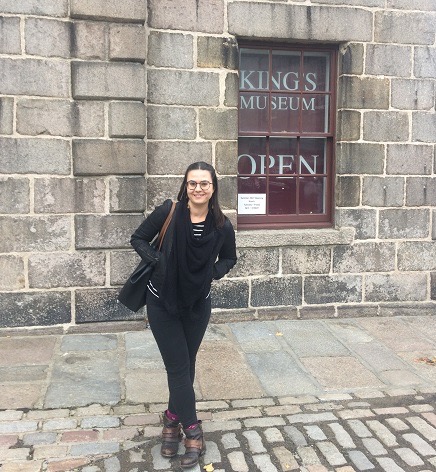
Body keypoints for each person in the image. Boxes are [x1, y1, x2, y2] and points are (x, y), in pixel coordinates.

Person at [130, 161, 237, 468]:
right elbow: (137, 238)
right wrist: (159, 260)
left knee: (185, 365)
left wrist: (211, 275)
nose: (198, 188)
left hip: (197, 304)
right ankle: (192, 430)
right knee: (178, 367)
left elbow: (230, 257)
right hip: (162, 302)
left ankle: (172, 419)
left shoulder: (221, 226)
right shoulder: (168, 212)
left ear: (213, 188)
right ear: (185, 186)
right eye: (193, 183)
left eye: (204, 183)